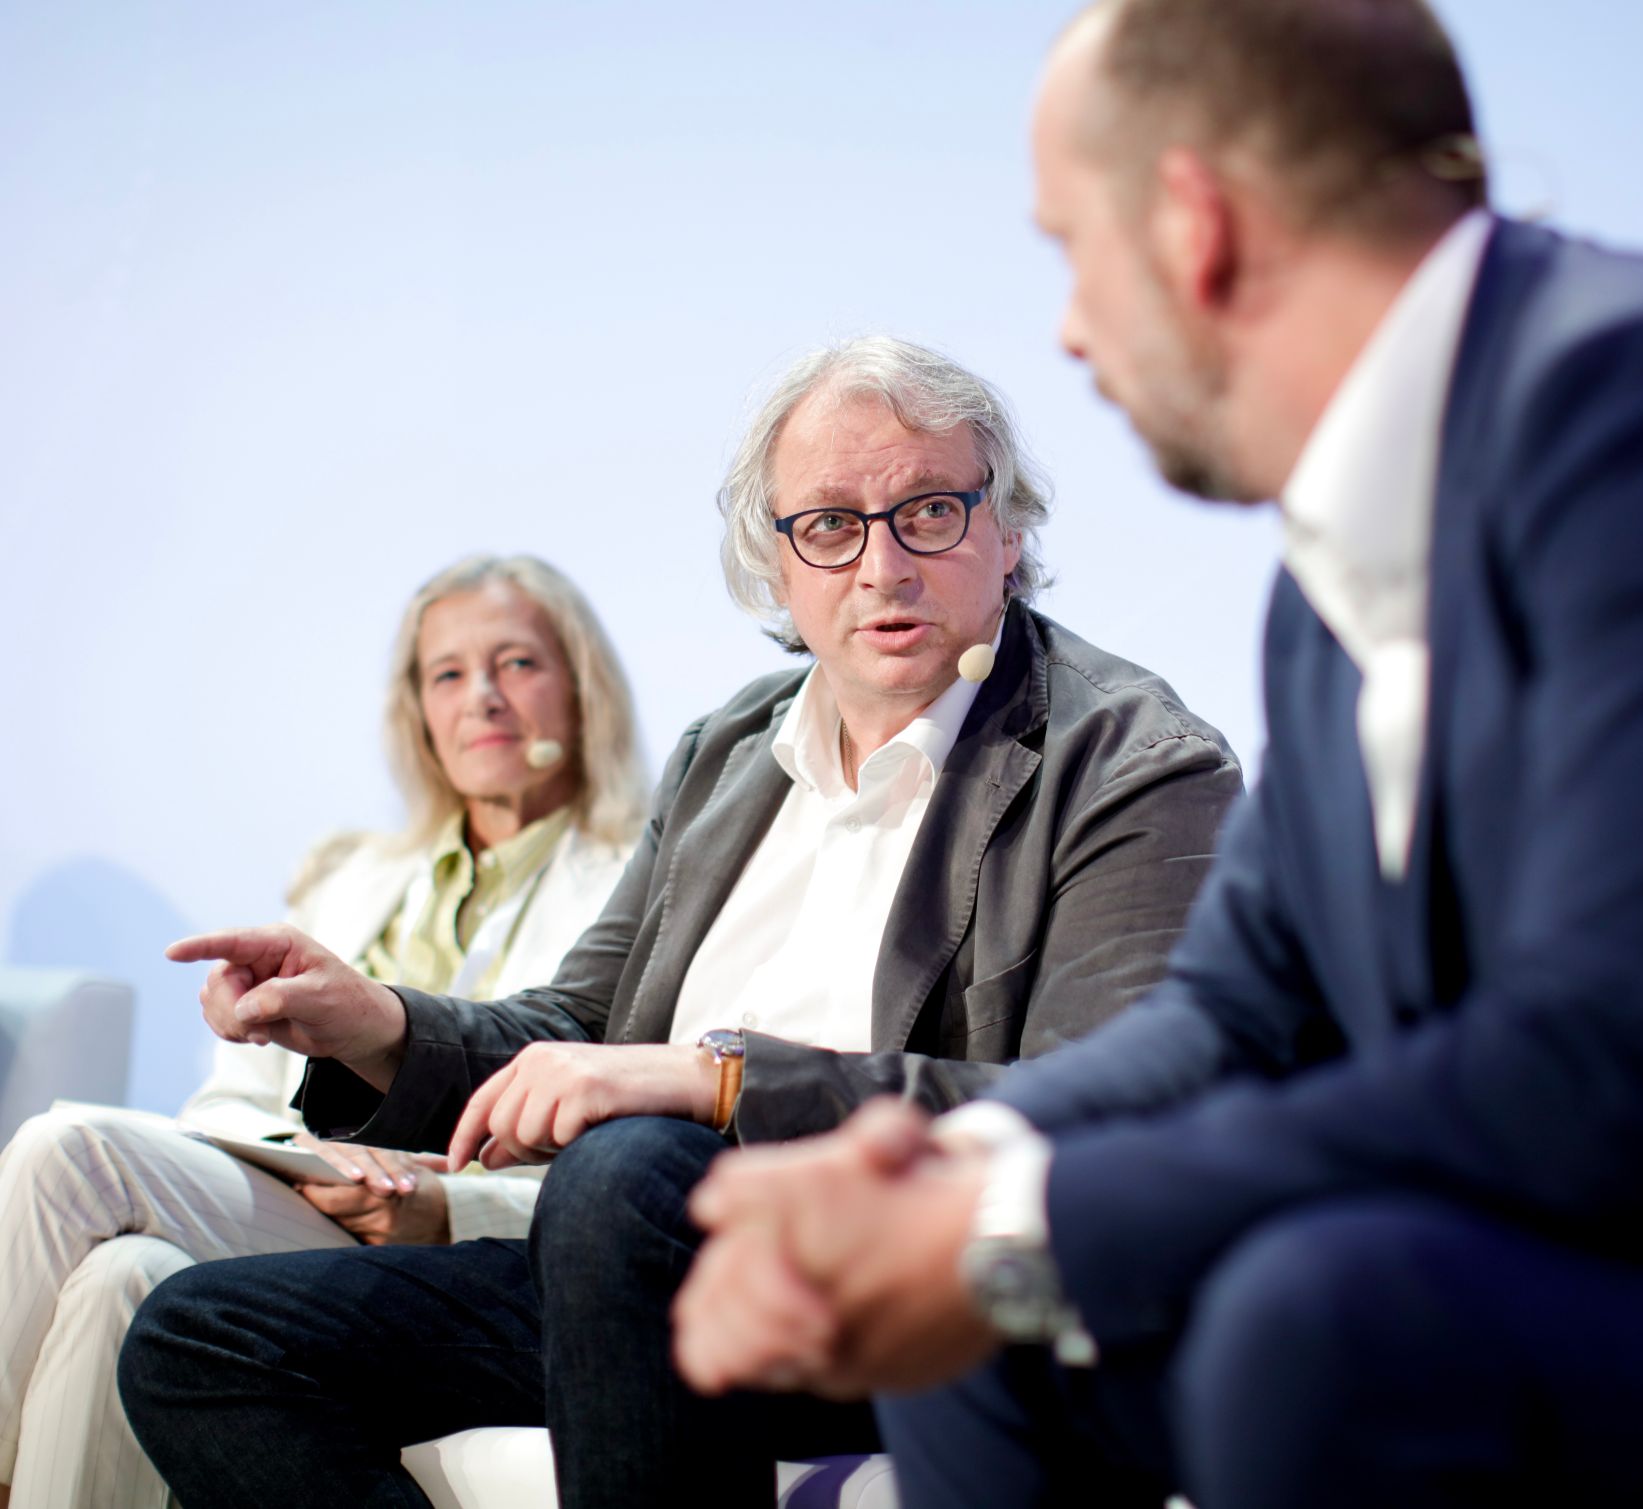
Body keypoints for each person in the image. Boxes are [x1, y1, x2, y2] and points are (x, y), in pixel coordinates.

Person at [670, 3, 1643, 1506]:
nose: (1067, 325)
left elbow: (1615, 1056)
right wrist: (942, 1173)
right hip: (1500, 1259)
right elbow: (1236, 1014)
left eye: (1070, 247)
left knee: (1319, 1314)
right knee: (989, 1333)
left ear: (1192, 224)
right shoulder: (1329, 573)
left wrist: (1020, 1213)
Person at [115, 336, 1242, 1508]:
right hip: (636, 1274)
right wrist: (375, 1026)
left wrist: (717, 1084)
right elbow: (579, 1027)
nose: (880, 566)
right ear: (776, 564)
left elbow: (1101, 1108)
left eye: (928, 512)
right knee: (199, 1343)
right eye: (830, 526)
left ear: (1006, 533)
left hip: (917, 1287)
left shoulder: (1127, 761)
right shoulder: (729, 753)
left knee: (628, 1168)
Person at [0, 552, 645, 1509]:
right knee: (118, 1276)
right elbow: (226, 1100)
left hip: (460, 1244)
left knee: (67, 1152)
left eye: (518, 664)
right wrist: (295, 1146)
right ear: (418, 712)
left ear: (582, 691)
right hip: (301, 1202)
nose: (485, 700)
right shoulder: (347, 877)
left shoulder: (639, 888)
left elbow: (626, 1162)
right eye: (450, 674)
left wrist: (454, 1208)